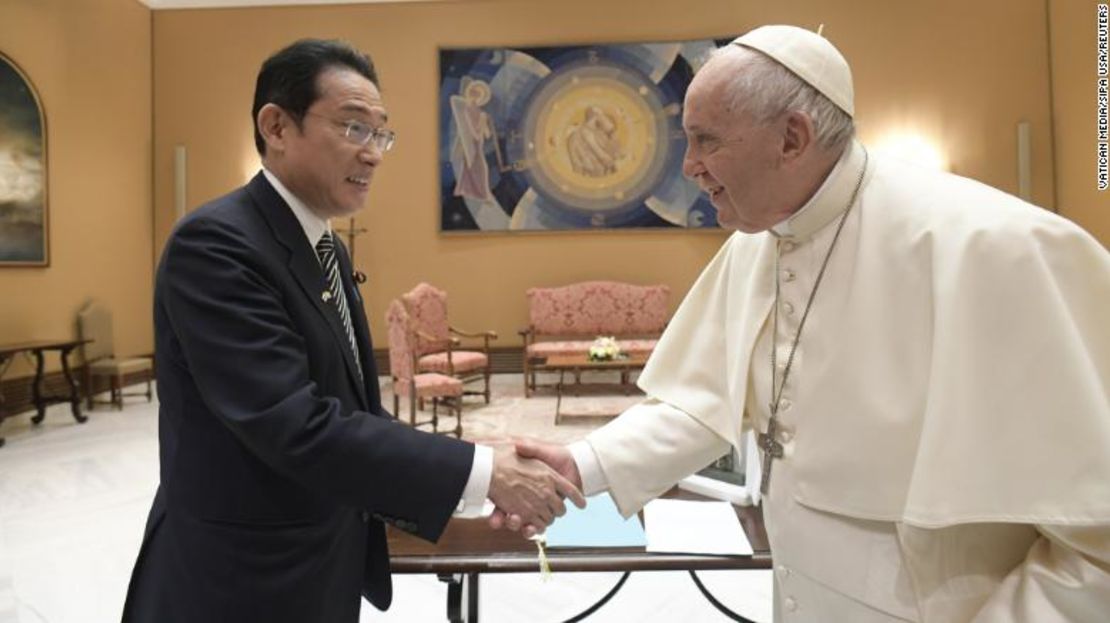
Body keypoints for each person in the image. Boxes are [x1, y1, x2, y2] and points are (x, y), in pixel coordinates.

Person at [494, 25, 1110, 621]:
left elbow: (1096, 544)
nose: (689, 167)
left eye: (707, 140)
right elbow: (701, 403)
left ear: (791, 138)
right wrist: (586, 464)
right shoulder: (759, 238)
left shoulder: (994, 248)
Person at [122, 39, 583, 623]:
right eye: (353, 128)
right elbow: (297, 426)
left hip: (317, 566)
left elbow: (353, 412)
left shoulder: (327, 249)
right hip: (237, 579)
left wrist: (472, 470)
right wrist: (484, 473)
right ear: (277, 126)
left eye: (382, 135)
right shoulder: (217, 245)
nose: (374, 154)